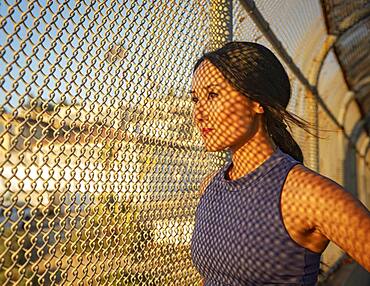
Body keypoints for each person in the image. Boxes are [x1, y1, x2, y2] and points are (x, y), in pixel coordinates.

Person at [189, 41, 370, 285]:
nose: (199, 113)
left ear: (256, 101)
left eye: (212, 95)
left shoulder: (307, 195)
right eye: (195, 99)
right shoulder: (211, 186)